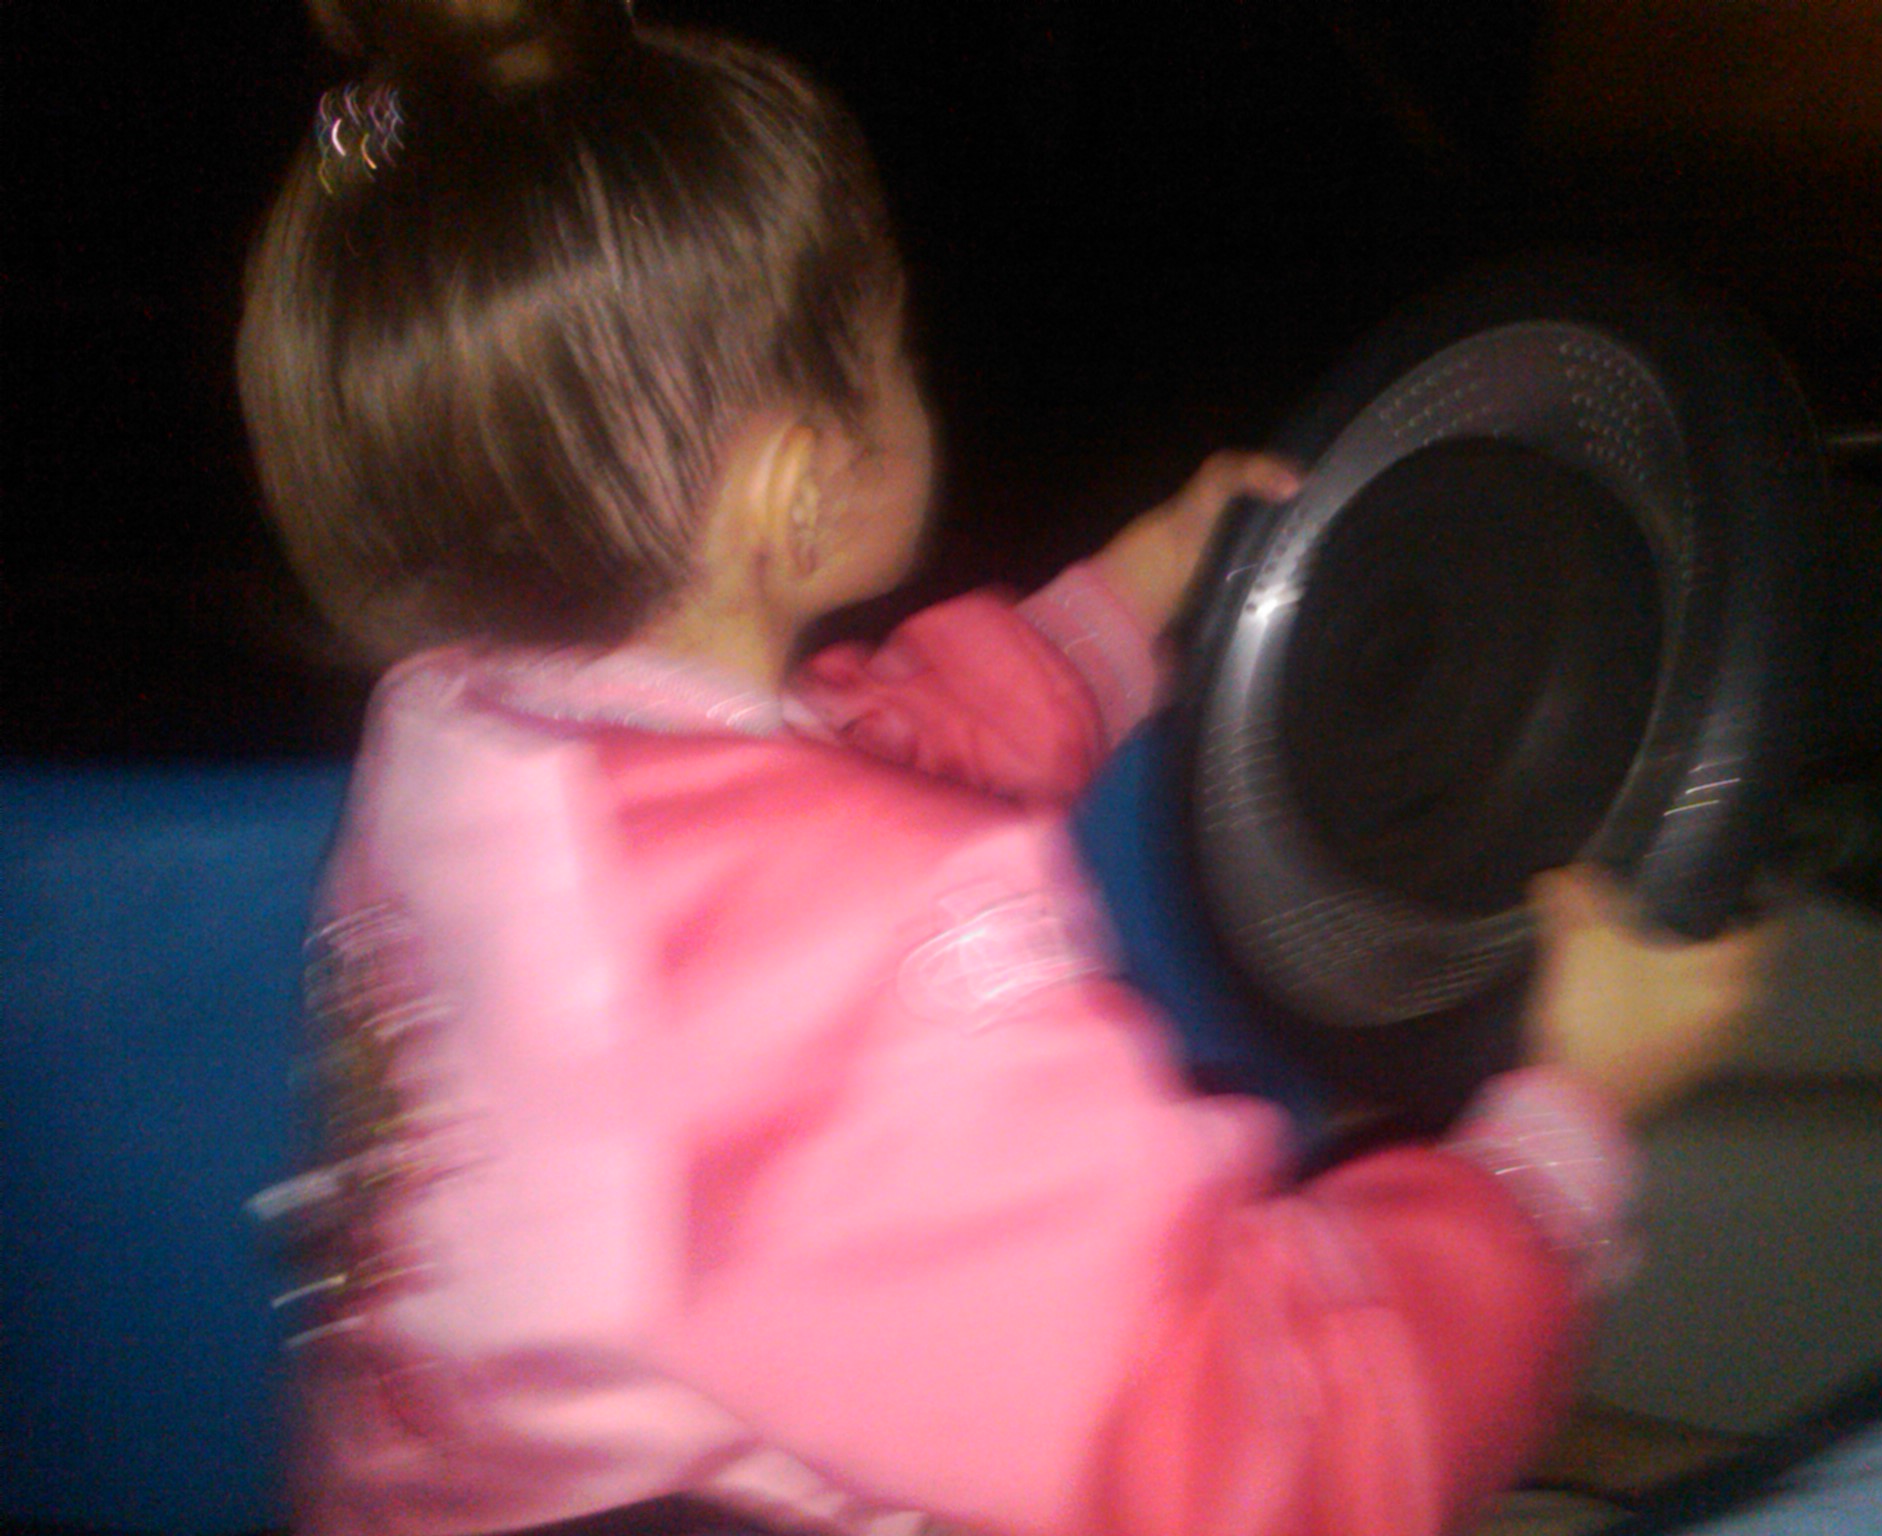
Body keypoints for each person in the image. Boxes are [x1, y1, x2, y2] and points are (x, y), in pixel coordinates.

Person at [238, 4, 1771, 1533]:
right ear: (796, 486)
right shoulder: (837, 963)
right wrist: (1561, 1132)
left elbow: (834, 777)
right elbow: (1231, 1454)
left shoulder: (486, 756)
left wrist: (1119, 611)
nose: (919, 374)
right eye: (894, 347)